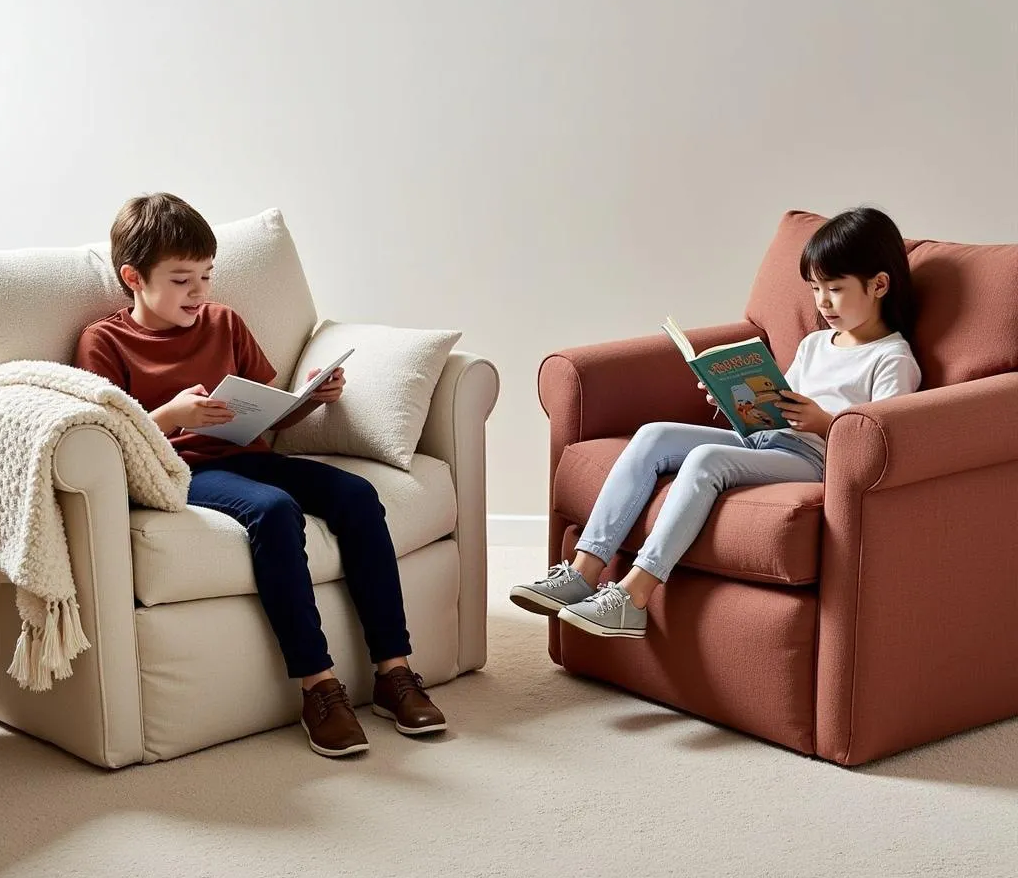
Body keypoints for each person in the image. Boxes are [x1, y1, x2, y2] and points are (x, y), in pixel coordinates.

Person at [74, 193, 446, 757]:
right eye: (182, 280)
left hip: (249, 456)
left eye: (206, 275)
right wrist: (172, 416)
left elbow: (269, 407)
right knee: (274, 511)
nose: (200, 292)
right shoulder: (103, 342)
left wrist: (311, 397)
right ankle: (318, 686)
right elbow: (106, 441)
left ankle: (394, 672)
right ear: (133, 277)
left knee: (357, 495)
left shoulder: (225, 323)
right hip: (180, 470)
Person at [510, 206, 922, 638]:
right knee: (653, 435)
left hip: (815, 462)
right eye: (816, 288)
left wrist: (824, 422)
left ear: (879, 285)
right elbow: (783, 401)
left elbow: (883, 442)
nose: (822, 302)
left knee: (707, 460)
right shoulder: (817, 342)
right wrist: (736, 400)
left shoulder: (892, 359)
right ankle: (583, 570)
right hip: (765, 440)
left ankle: (633, 595)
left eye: (835, 289)